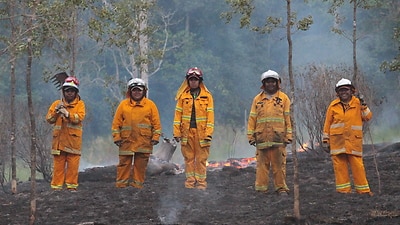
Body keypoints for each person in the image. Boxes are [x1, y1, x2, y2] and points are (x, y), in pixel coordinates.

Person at [322, 78, 373, 195]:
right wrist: (326, 140)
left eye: (346, 90)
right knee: (340, 167)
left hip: (353, 141)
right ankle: (343, 191)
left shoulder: (358, 103)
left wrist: (363, 104)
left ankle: (363, 191)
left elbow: (368, 117)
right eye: (341, 90)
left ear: (352, 91)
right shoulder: (333, 106)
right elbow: (327, 123)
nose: (343, 92)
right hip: (337, 142)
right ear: (337, 92)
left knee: (357, 166)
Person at [247, 70, 292, 196]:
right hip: (261, 139)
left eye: (273, 82)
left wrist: (289, 135)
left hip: (279, 139)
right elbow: (252, 119)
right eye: (268, 82)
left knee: (279, 166)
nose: (270, 84)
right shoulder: (257, 99)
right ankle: (261, 189)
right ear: (264, 84)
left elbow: (288, 118)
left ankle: (281, 188)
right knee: (262, 166)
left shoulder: (283, 98)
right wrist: (250, 136)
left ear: (277, 83)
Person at [111, 78, 162, 189]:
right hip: (126, 141)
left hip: (144, 142)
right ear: (130, 91)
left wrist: (156, 137)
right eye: (134, 90)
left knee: (140, 166)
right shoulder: (123, 105)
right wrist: (116, 137)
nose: (137, 92)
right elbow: (116, 124)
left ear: (144, 91)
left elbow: (156, 124)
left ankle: (137, 187)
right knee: (124, 164)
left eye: (139, 90)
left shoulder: (150, 105)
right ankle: (121, 186)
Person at [173, 67, 214, 190]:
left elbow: (210, 117)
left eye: (195, 79)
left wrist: (208, 133)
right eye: (191, 79)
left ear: (200, 81)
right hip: (186, 133)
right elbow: (177, 116)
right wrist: (176, 132)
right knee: (189, 159)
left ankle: (201, 184)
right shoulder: (182, 97)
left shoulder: (207, 96)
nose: (193, 82)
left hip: (202, 134)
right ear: (187, 81)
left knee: (201, 159)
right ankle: (190, 183)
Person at [46, 76, 85, 191]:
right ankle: (56, 189)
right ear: (63, 91)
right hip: (59, 143)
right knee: (58, 168)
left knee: (73, 169)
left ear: (76, 92)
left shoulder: (80, 105)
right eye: (67, 90)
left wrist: (67, 114)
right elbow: (49, 119)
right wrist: (56, 112)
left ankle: (71, 189)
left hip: (73, 143)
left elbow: (79, 117)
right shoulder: (57, 104)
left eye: (72, 91)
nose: (69, 93)